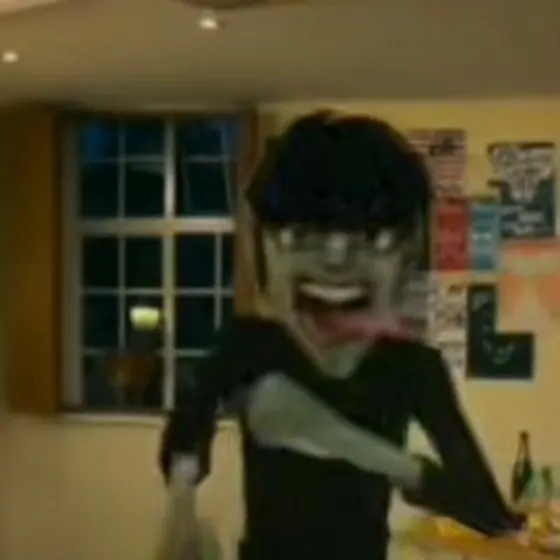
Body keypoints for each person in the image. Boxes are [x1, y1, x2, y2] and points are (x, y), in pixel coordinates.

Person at [159, 111, 523, 560]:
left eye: (372, 238)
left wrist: (345, 442)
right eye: (301, 234)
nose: (335, 261)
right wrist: (181, 516)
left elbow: (490, 512)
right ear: (260, 244)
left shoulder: (412, 366)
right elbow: (186, 435)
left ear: (410, 249)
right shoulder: (247, 346)